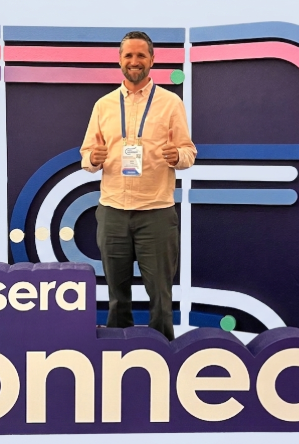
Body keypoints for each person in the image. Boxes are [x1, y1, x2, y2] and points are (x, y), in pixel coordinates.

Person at [80, 31, 197, 340]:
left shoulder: (171, 103)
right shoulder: (103, 105)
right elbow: (86, 156)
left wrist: (177, 156)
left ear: (152, 60)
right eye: (128, 56)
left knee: (161, 295)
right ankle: (118, 358)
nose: (134, 61)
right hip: (113, 211)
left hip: (156, 213)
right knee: (117, 296)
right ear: (120, 61)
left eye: (140, 55)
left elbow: (189, 153)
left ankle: (164, 359)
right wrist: (94, 157)